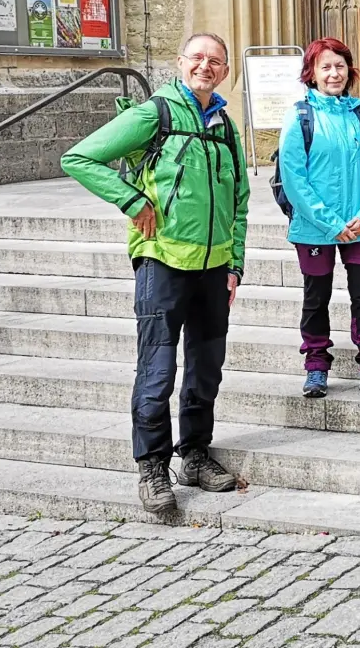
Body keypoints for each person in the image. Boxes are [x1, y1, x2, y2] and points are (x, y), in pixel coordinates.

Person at [61, 32, 249, 514]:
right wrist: (130, 199)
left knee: (206, 371)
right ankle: (152, 467)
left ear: (225, 71)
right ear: (180, 63)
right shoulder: (155, 113)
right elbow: (79, 157)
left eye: (215, 60)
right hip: (162, 262)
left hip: (214, 269)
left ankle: (195, 455)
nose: (205, 66)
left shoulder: (225, 126)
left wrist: (235, 263)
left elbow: (240, 200)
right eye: (197, 58)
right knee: (157, 372)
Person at [277, 38, 360, 399]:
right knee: (316, 299)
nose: (334, 73)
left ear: (349, 70)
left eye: (340, 65)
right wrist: (330, 224)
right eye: (325, 67)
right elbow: (294, 179)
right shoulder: (300, 117)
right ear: (311, 73)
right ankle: (316, 366)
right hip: (315, 229)